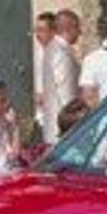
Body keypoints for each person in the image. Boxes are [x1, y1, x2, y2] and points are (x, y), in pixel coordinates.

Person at [40, 9, 82, 143]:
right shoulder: (61, 53)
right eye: (78, 28)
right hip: (63, 124)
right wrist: (72, 120)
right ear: (69, 28)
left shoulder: (52, 47)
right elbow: (65, 89)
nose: (80, 33)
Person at [32, 11, 57, 131]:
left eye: (41, 30)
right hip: (41, 115)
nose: (37, 34)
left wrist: (46, 95)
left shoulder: (58, 54)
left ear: (53, 31)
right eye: (36, 30)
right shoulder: (40, 52)